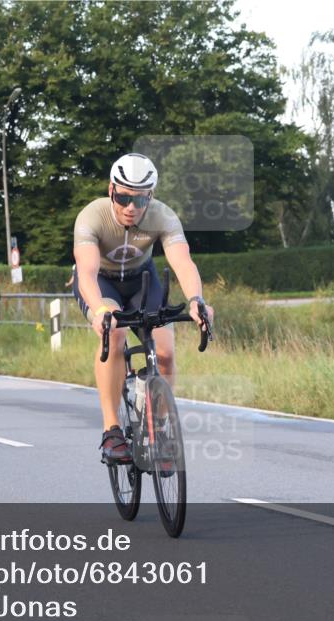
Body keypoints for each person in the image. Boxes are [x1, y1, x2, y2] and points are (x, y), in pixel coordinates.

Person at [72, 153, 214, 463]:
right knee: (115, 332)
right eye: (123, 197)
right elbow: (86, 272)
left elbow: (182, 262)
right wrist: (99, 311)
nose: (131, 207)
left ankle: (160, 430)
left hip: (141, 281)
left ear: (150, 196)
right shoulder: (91, 217)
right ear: (112, 189)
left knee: (165, 351)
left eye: (139, 199)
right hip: (102, 284)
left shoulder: (163, 216)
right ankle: (112, 431)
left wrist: (196, 301)